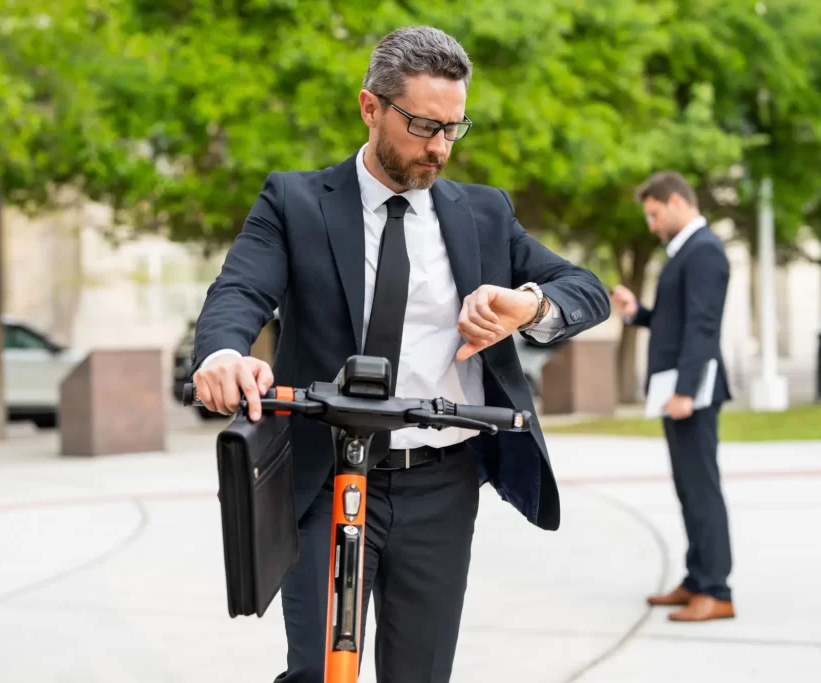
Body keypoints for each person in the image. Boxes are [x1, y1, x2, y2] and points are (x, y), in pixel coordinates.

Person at [191, 25, 611, 683]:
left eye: (453, 128)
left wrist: (528, 305)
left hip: (440, 485)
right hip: (325, 476)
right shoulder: (295, 202)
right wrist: (221, 353)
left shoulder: (484, 214)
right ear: (370, 107)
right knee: (317, 672)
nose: (440, 147)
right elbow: (239, 290)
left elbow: (586, 290)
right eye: (422, 126)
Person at [610, 170, 735, 622]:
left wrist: (685, 391)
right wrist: (637, 313)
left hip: (692, 394)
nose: (651, 225)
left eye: (654, 214)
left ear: (678, 202)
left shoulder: (704, 252)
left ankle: (717, 590)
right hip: (680, 392)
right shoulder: (686, 252)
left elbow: (703, 327)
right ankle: (697, 579)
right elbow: (676, 320)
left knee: (701, 490)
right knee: (688, 490)